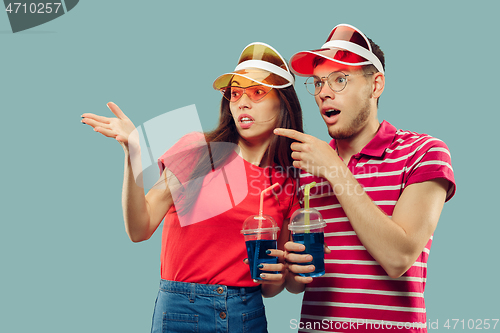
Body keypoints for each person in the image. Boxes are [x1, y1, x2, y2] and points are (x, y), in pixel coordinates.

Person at [81, 42, 303, 333]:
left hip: (247, 314)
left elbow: (271, 288)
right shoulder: (198, 149)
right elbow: (139, 228)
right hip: (182, 311)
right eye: (235, 94)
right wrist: (132, 152)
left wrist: (276, 277)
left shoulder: (286, 181)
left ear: (282, 101)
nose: (242, 102)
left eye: (257, 92)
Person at [274, 24, 456, 332]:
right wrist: (294, 273)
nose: (324, 93)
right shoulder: (306, 168)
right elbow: (298, 284)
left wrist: (334, 170)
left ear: (376, 85)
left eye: (340, 80)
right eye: (318, 83)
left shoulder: (424, 152)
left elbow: (398, 257)